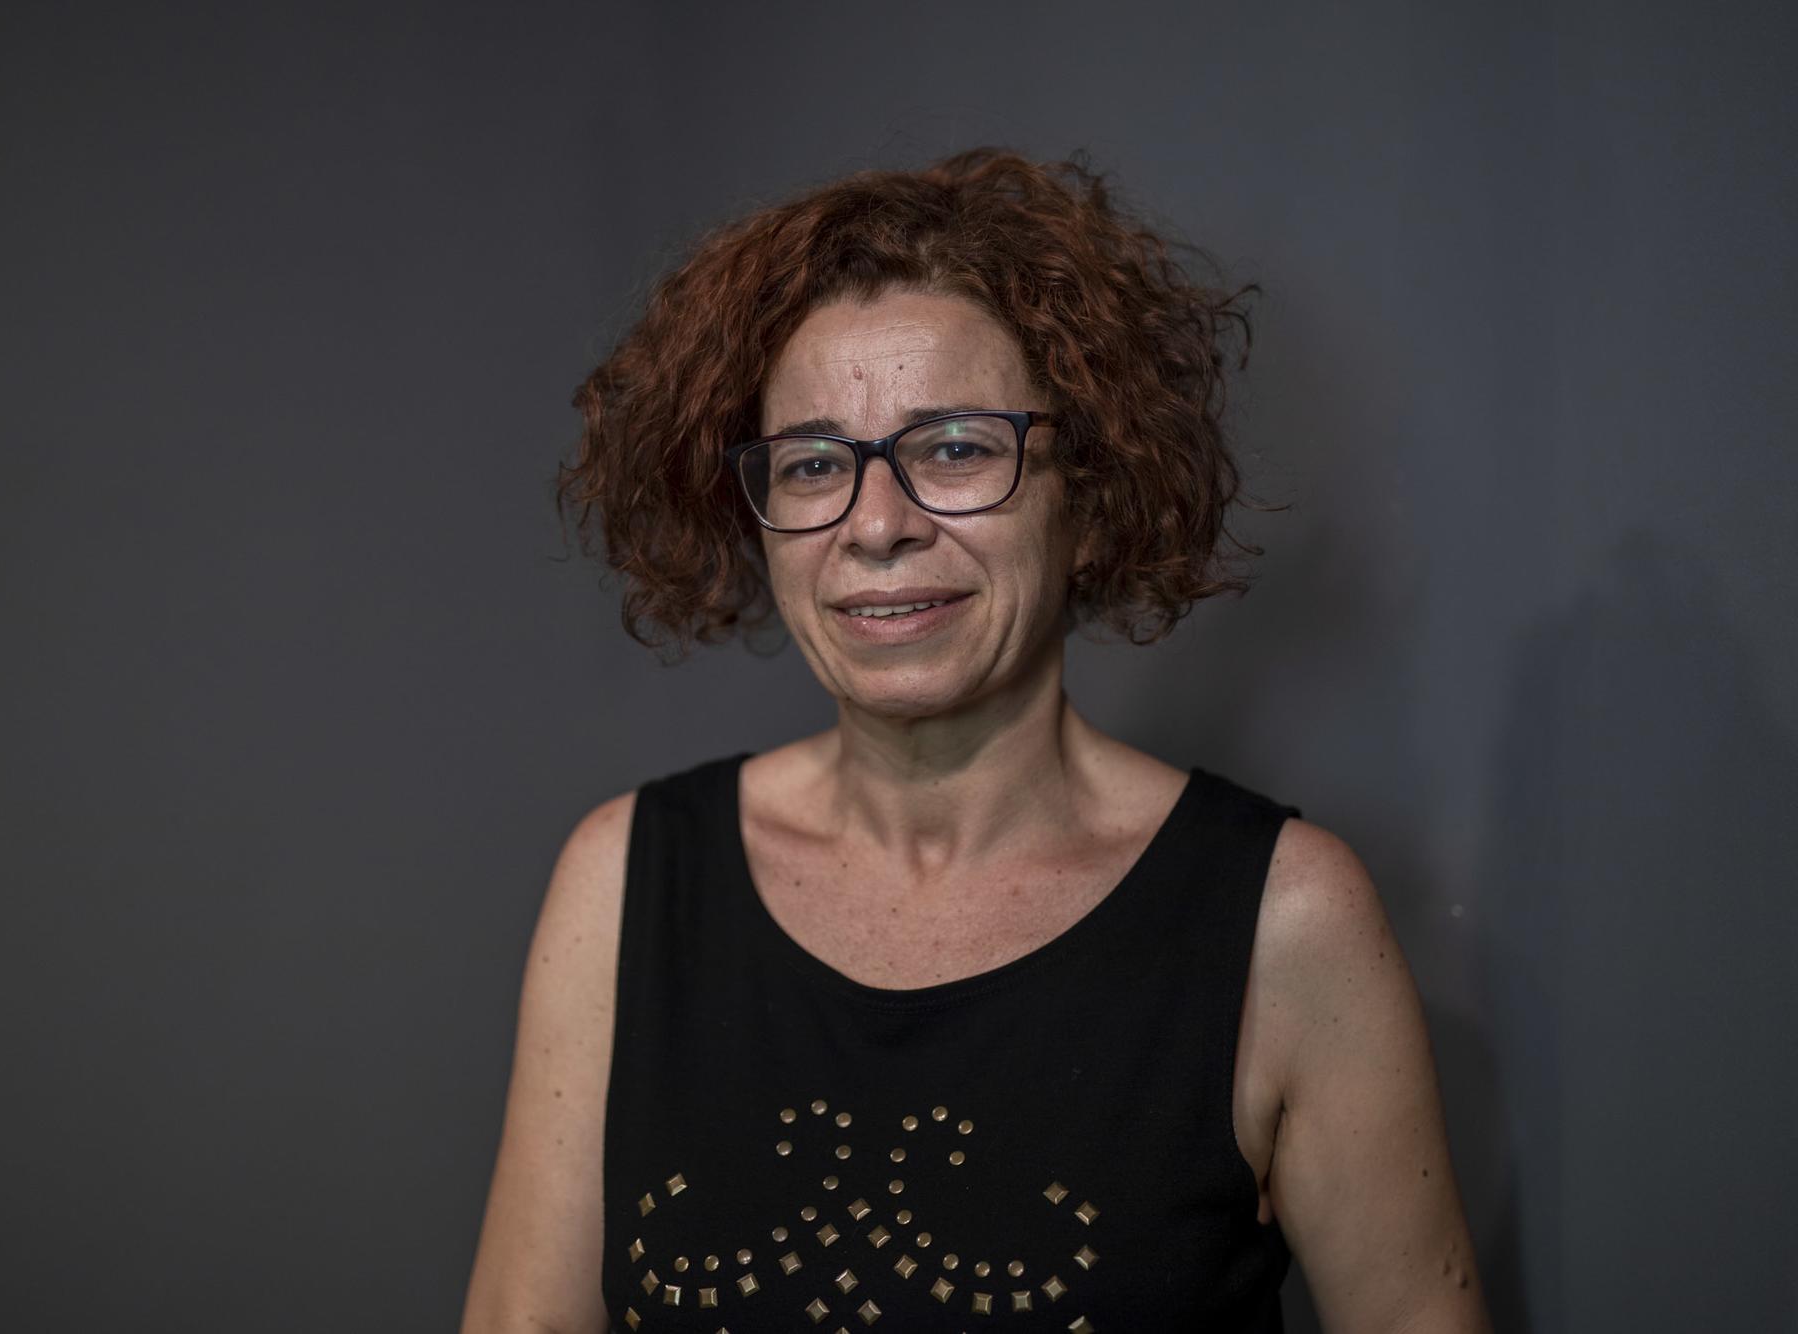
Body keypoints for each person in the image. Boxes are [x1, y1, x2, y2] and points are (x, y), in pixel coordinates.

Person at [460, 148, 1490, 1333]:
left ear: (1089, 498)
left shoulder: (1281, 919)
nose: (875, 524)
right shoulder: (625, 885)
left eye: (953, 446)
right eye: (812, 463)